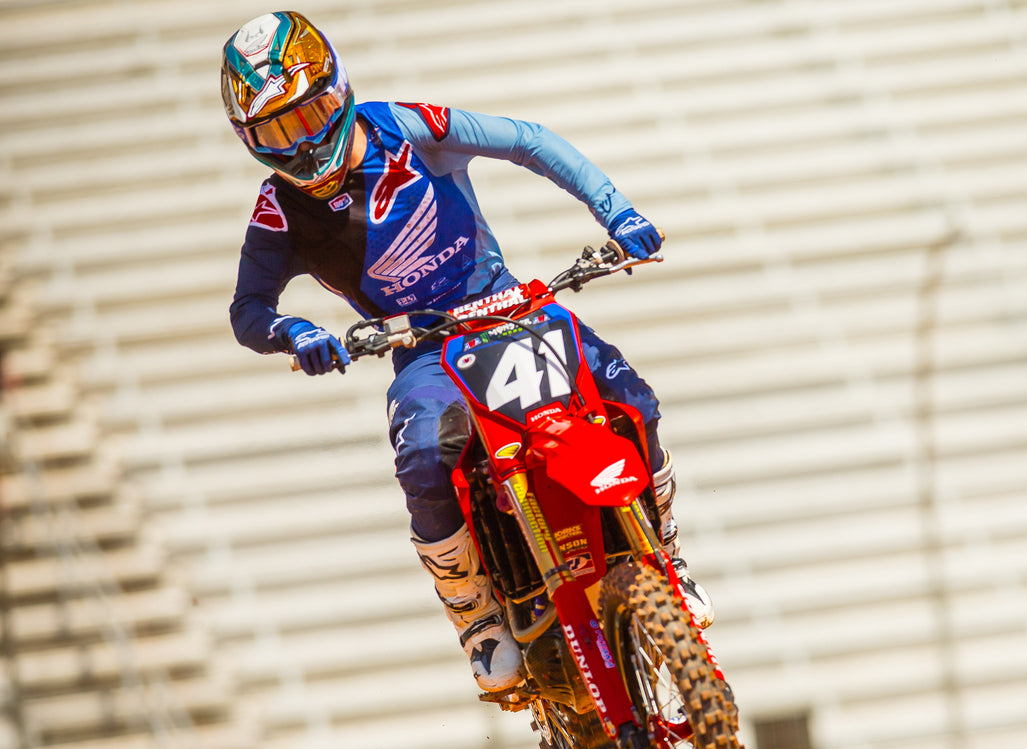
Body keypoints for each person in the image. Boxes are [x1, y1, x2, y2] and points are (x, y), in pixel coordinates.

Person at [222, 11, 711, 695]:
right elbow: (248, 309)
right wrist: (293, 333)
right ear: (252, 140)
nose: (302, 142)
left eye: (311, 115)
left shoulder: (406, 125)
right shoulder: (277, 212)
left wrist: (618, 212)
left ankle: (668, 556)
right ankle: (476, 614)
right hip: (423, 346)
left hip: (516, 306)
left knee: (632, 399)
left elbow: (528, 141)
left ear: (339, 91)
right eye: (278, 131)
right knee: (424, 455)